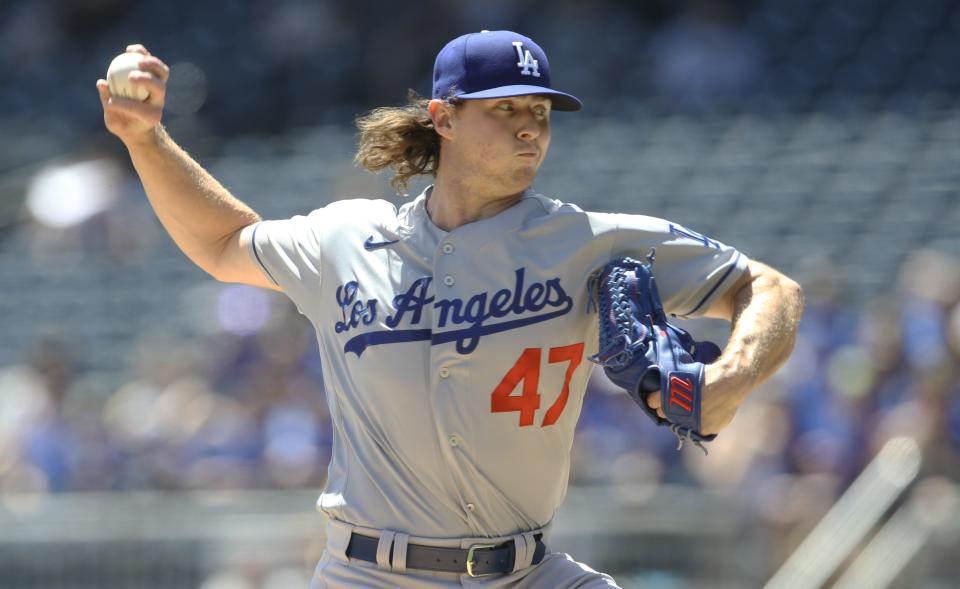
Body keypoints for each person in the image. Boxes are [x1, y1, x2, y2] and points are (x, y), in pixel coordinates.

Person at [97, 29, 803, 588]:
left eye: (539, 112)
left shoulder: (585, 240)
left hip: (529, 573)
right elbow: (224, 241)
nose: (531, 128)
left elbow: (771, 286)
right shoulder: (347, 238)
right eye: (505, 109)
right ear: (444, 118)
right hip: (367, 572)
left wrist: (727, 382)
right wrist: (146, 138)